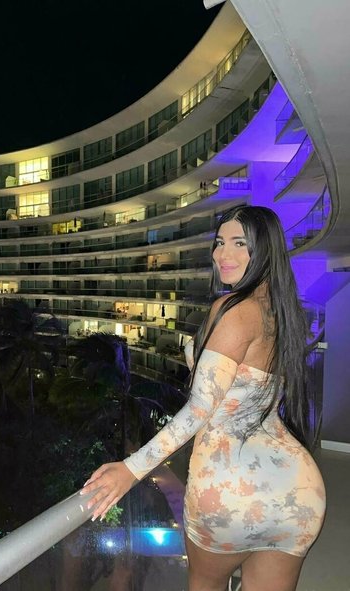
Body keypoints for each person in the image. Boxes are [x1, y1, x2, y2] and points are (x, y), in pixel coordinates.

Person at [81, 205, 326, 591]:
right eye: (219, 242)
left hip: (228, 492)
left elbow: (200, 408)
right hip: (295, 491)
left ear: (265, 250)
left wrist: (131, 470)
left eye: (240, 243)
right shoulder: (281, 312)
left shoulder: (233, 310)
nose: (222, 254)